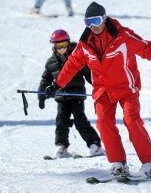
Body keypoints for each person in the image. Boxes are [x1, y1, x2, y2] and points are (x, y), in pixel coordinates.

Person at [43, 2, 151, 177]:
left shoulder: (123, 36)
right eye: (88, 22)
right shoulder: (85, 43)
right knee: (103, 123)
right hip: (103, 90)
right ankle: (119, 163)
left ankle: (150, 163)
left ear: (104, 18)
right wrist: (56, 85)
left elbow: (148, 49)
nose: (93, 26)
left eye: (96, 21)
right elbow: (72, 64)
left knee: (131, 120)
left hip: (126, 87)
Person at [38, 29, 105, 158]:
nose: (62, 48)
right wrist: (41, 95)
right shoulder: (51, 62)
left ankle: (94, 145)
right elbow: (45, 79)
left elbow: (90, 75)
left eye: (64, 45)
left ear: (68, 43)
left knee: (80, 120)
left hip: (76, 96)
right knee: (61, 121)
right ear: (54, 46)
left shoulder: (77, 58)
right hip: (61, 97)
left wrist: (101, 87)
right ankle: (62, 146)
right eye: (58, 46)